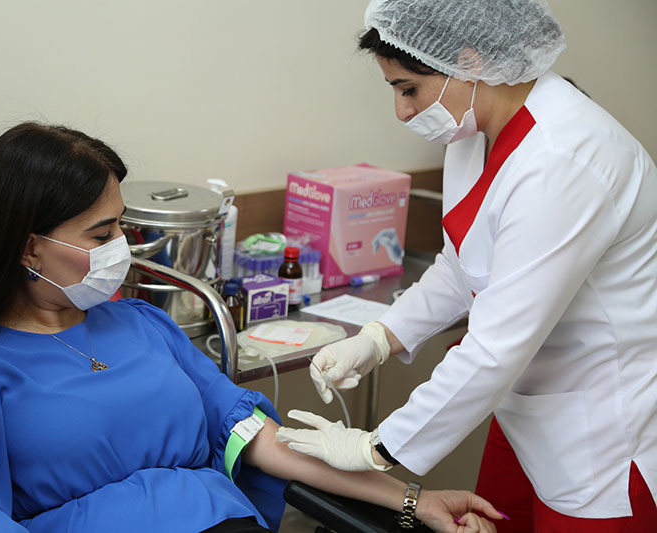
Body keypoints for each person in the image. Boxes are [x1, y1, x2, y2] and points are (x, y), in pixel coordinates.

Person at [0, 122, 503, 533]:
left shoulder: (143, 324)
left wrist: (414, 500)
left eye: (121, 227)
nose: (122, 248)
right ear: (29, 247)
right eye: (101, 234)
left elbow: (264, 441)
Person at [276, 0, 657, 531]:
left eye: (409, 88)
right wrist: (380, 336)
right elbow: (463, 265)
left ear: (470, 61)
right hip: (524, 409)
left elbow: (499, 344)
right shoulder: (474, 131)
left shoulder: (565, 156)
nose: (402, 111)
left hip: (599, 433)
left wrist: (377, 448)